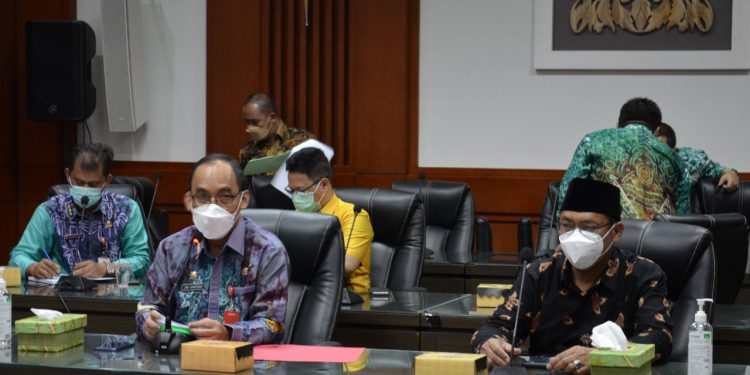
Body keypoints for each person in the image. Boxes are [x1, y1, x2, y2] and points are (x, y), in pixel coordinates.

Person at [473, 178, 672, 373]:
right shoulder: (540, 272)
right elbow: (496, 325)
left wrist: (601, 357)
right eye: (567, 225)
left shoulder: (643, 275)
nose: (576, 235)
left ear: (616, 232)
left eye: (589, 227)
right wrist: (490, 342)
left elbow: (658, 339)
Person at [136, 154, 290, 344]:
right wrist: (147, 324)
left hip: (242, 364)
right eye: (202, 196)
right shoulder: (171, 248)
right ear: (189, 200)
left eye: (225, 196)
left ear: (243, 200)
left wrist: (228, 333)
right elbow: (149, 308)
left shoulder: (267, 250)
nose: (212, 206)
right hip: (180, 359)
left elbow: (273, 325)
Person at [10, 143, 150, 280]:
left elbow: (142, 261)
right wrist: (32, 267)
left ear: (107, 180)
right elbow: (18, 257)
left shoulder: (126, 209)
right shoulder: (50, 210)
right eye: (79, 182)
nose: (85, 189)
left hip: (113, 297)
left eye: (93, 184)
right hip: (61, 297)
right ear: (68, 175)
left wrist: (107, 269)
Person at [557, 97, 690, 220]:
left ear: (618, 125)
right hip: (660, 239)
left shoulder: (592, 141)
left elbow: (567, 193)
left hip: (607, 237)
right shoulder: (676, 159)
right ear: (657, 131)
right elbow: (683, 215)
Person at [285, 147, 374, 294]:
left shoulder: (353, 215)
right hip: (303, 294)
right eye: (292, 191)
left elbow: (347, 265)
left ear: (324, 185)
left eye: (300, 191)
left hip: (349, 301)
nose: (295, 196)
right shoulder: (296, 216)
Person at [654, 122, 740, 191]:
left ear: (674, 152)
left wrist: (729, 173)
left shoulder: (689, 161)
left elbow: (713, 168)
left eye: (661, 152)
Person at [238, 92, 314, 170]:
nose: (249, 128)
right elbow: (245, 181)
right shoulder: (247, 150)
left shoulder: (303, 140)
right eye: (247, 123)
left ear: (273, 118)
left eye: (254, 122)